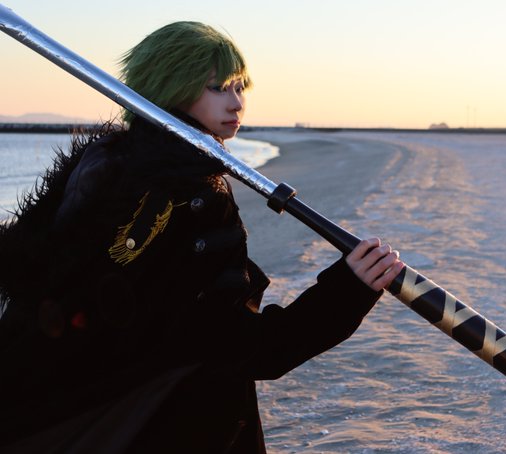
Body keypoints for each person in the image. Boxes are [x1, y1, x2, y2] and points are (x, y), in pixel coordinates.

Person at [0, 21, 403, 453]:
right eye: (218, 88)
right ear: (170, 87)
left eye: (240, 87)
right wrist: (346, 291)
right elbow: (239, 348)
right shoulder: (186, 195)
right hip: (174, 424)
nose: (237, 102)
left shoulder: (110, 166)